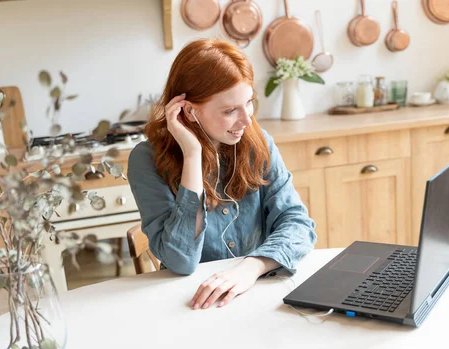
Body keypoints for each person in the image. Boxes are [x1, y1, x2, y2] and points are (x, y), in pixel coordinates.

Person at [127, 38, 316, 310]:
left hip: (257, 292)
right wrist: (192, 156)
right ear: (189, 111)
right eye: (230, 111)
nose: (247, 120)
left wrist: (249, 269)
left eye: (248, 102)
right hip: (191, 304)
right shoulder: (146, 160)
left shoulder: (257, 142)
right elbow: (181, 260)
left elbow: (298, 224)